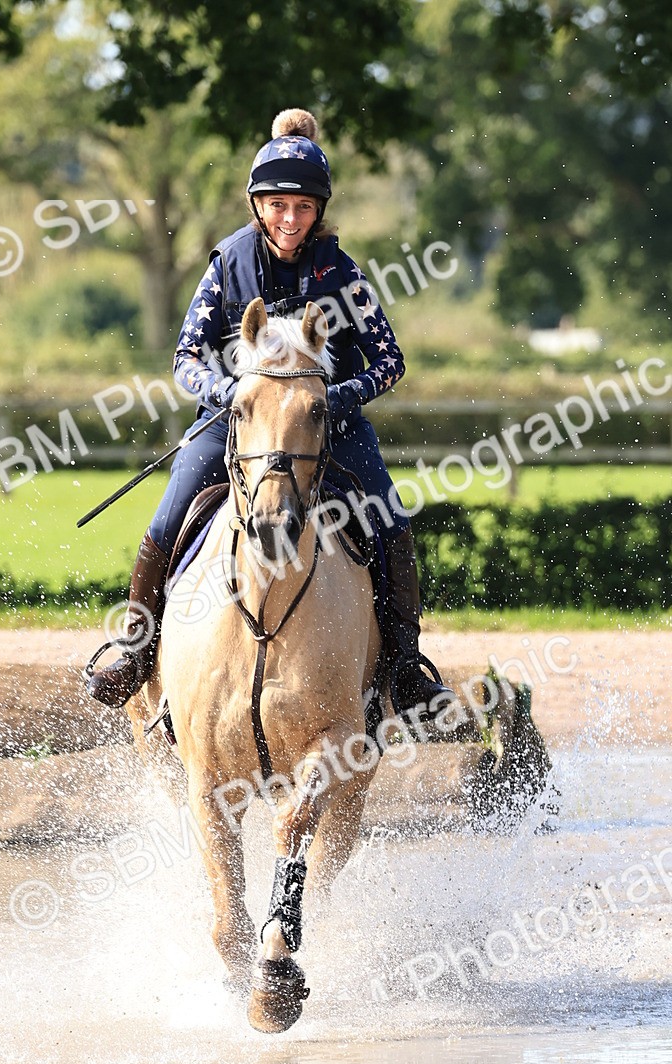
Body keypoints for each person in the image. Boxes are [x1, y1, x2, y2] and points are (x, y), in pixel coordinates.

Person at [87, 107, 454, 718]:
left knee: (389, 519)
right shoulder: (227, 262)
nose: (290, 220)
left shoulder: (341, 273)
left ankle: (405, 667)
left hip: (326, 426)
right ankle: (137, 645)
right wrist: (226, 391)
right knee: (171, 509)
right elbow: (185, 357)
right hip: (239, 421)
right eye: (279, 206)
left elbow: (390, 362)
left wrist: (336, 398)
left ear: (320, 210)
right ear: (258, 204)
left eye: (304, 207)